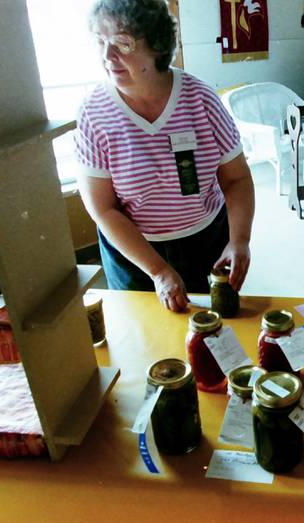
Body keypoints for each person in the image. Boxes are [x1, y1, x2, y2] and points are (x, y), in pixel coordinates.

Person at [75, 0, 254, 313]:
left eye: (122, 43)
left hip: (206, 240)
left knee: (211, 330)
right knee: (147, 336)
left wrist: (239, 239)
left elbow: (236, 178)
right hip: (135, 253)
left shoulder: (200, 98)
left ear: (157, 45)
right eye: (101, 42)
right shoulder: (94, 113)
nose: (108, 56)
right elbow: (102, 208)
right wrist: (157, 270)